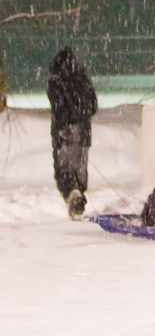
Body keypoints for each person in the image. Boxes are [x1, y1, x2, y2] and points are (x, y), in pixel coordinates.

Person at [47, 46, 98, 220]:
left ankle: (73, 197)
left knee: (64, 169)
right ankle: (77, 196)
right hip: (83, 131)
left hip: (64, 130)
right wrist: (81, 116)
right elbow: (93, 106)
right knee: (79, 169)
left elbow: (58, 105)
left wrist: (64, 122)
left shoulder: (56, 80)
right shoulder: (83, 79)